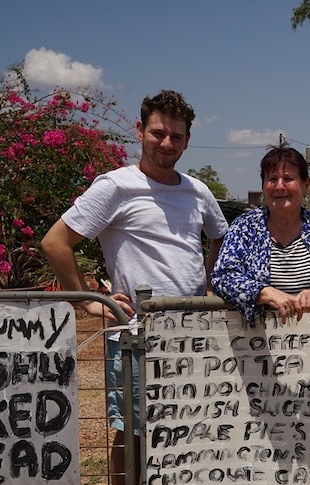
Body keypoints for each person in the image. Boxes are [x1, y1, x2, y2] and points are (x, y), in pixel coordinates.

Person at [40, 89, 228, 484]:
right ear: (140, 130)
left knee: (192, 427)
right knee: (134, 434)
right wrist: (91, 303)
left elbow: (219, 238)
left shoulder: (198, 191)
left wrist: (211, 287)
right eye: (159, 132)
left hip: (194, 333)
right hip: (136, 336)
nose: (167, 143)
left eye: (176, 136)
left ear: (187, 141)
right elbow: (55, 243)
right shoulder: (115, 186)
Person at [212, 143, 310, 323]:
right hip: (255, 344)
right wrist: (265, 293)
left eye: (288, 178)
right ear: (263, 186)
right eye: (272, 179)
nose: (279, 186)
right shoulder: (244, 228)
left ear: (305, 185)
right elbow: (223, 277)